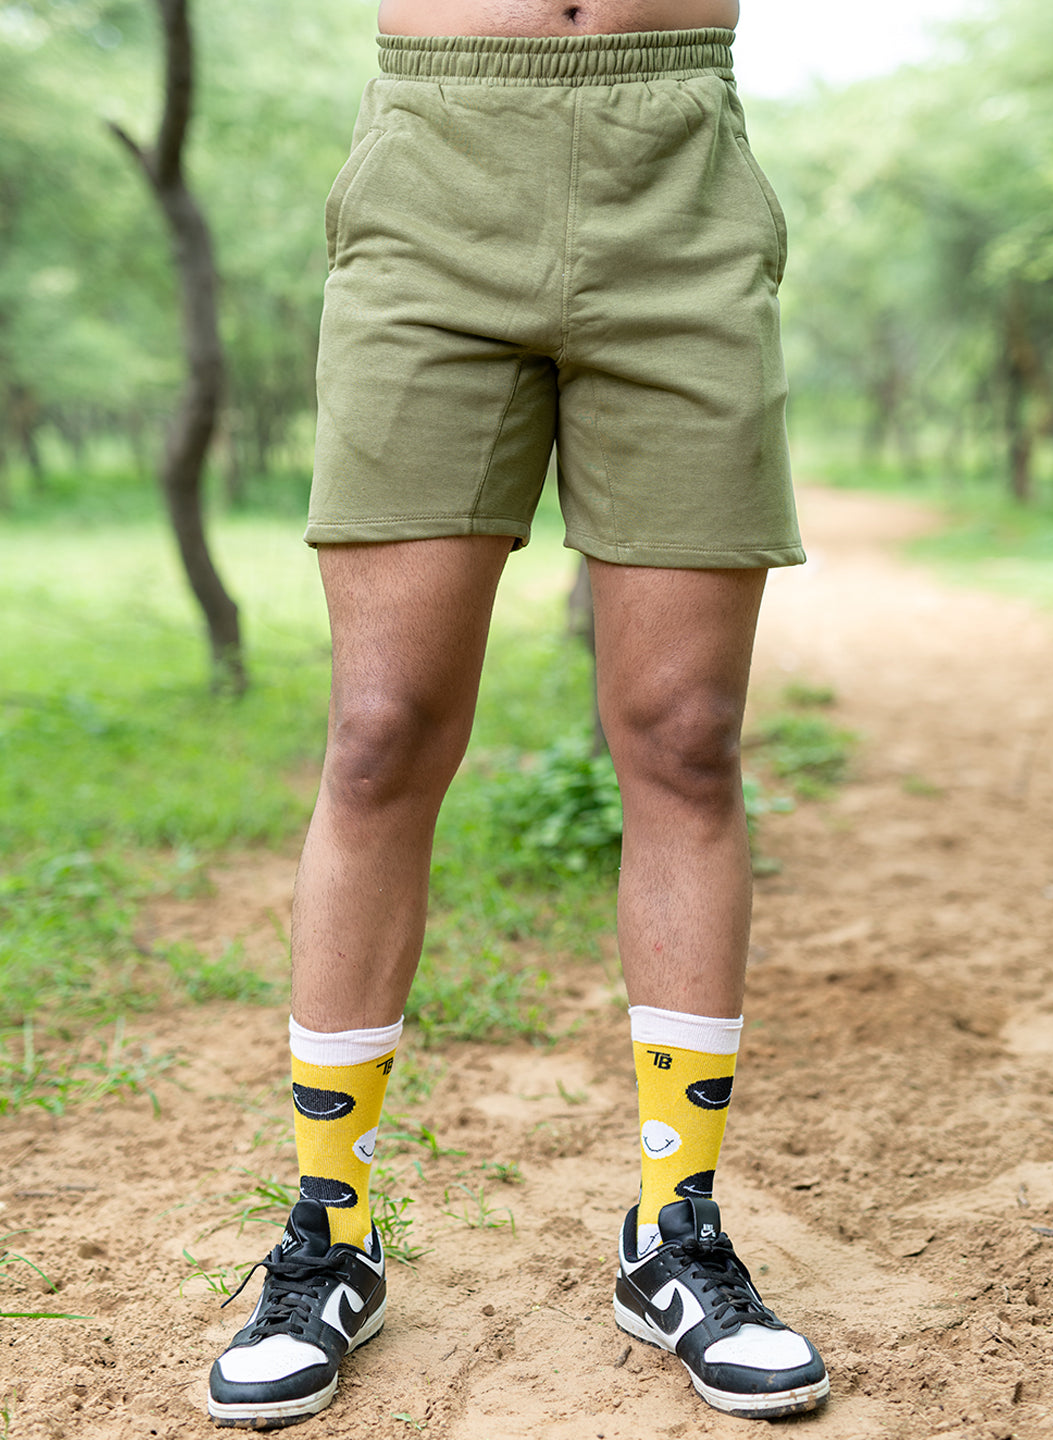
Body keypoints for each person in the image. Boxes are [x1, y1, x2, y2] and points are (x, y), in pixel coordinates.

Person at [207, 0, 829, 1427]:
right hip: (438, 160)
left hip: (673, 155)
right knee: (380, 731)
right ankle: (329, 1235)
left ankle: (673, 1234)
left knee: (685, 737)